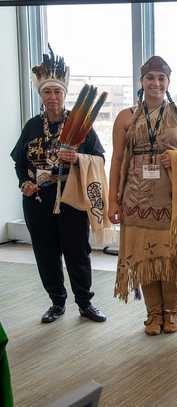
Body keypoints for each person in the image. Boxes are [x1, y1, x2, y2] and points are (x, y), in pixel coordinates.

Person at [10, 46, 106, 324]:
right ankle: (56, 302)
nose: (52, 97)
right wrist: (24, 183)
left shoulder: (81, 125)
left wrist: (77, 157)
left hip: (70, 198)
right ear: (40, 95)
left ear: (65, 95)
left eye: (57, 92)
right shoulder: (31, 127)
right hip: (38, 200)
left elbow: (99, 158)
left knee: (77, 252)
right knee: (45, 252)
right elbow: (19, 162)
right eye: (47, 92)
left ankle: (85, 303)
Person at [110, 56, 177, 336]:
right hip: (136, 200)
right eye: (150, 78)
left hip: (173, 200)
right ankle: (153, 313)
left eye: (161, 78)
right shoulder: (126, 116)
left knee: (171, 257)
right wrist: (113, 199)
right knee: (144, 257)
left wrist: (176, 157)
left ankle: (171, 312)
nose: (156, 83)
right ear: (141, 82)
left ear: (168, 82)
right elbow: (117, 159)